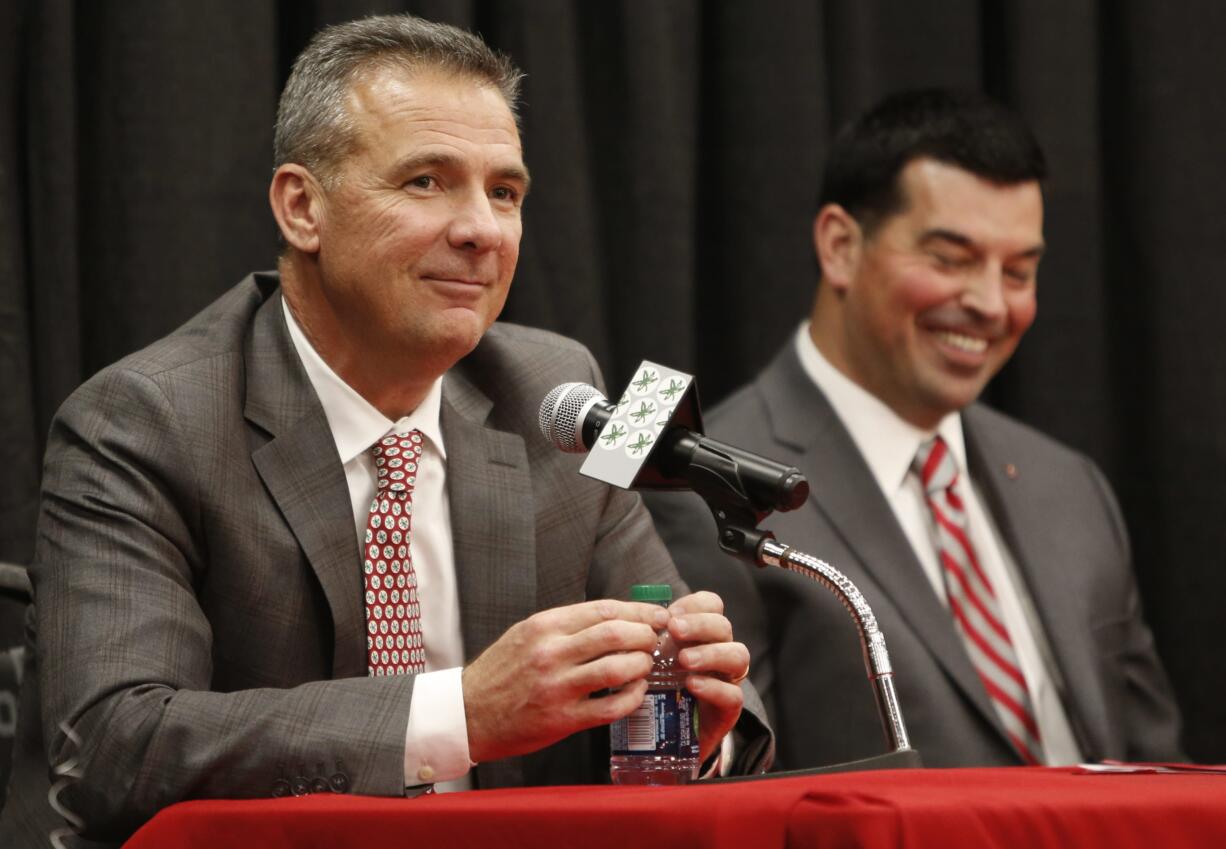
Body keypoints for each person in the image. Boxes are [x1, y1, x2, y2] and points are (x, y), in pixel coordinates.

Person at [1, 15, 771, 847]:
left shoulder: (558, 391)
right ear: (302, 207)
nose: (481, 229)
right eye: (426, 182)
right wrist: (462, 711)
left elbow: (677, 700)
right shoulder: (143, 419)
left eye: (505, 192)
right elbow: (114, 749)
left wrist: (689, 726)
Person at [646, 89, 1183, 770]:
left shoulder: (1068, 484)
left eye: (1019, 270)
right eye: (951, 259)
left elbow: (1161, 764)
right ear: (841, 246)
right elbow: (729, 790)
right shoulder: (706, 486)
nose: (991, 302)